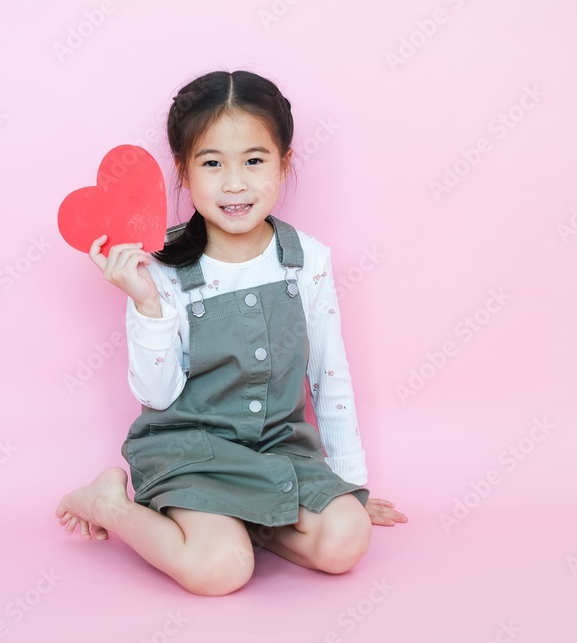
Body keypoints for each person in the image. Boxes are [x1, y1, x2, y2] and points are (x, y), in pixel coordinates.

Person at [56, 70, 406, 596]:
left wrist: (349, 487)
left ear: (284, 164)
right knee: (220, 571)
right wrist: (146, 303)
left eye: (254, 161)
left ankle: (251, 520)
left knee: (345, 540)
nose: (235, 183)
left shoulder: (306, 260)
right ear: (184, 170)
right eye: (213, 163)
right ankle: (110, 502)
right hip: (192, 453)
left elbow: (328, 373)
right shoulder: (161, 268)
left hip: (278, 449)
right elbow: (156, 395)